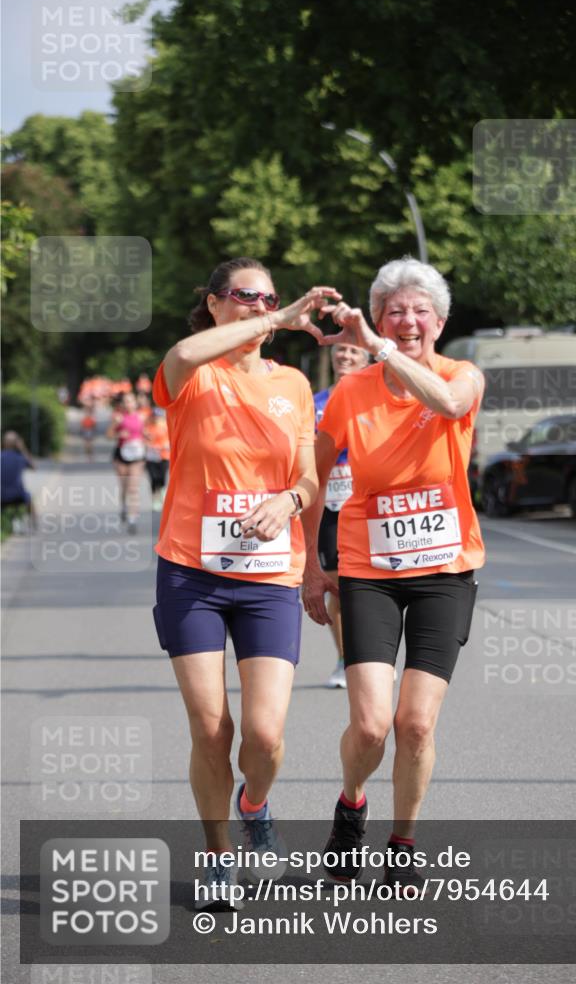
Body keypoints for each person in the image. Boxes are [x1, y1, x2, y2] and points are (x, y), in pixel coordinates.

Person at [151, 256, 339, 909]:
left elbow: (311, 478)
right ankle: (218, 856)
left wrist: (289, 505)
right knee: (211, 729)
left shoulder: (290, 383)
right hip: (190, 573)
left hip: (268, 577)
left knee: (264, 735)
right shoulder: (192, 373)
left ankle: (254, 802)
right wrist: (280, 319)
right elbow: (179, 352)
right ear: (212, 303)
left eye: (267, 299)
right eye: (242, 297)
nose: (256, 307)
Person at [302, 257, 485, 894]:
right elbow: (315, 478)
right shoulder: (352, 393)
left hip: (445, 571)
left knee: (416, 724)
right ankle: (351, 804)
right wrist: (309, 567)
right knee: (374, 724)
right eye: (393, 311)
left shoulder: (462, 375)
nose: (407, 321)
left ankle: (403, 842)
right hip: (367, 571)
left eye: (418, 311)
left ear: (439, 321)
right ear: (379, 317)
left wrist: (378, 348)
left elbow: (447, 401)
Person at [313, 344, 369, 689]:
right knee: (338, 587)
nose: (345, 356)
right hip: (329, 505)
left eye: (353, 351)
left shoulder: (376, 398)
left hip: (366, 503)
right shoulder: (315, 401)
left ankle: (373, 657)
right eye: (340, 351)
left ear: (367, 359)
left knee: (369, 587)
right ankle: (345, 659)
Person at [107, 392, 146, 534]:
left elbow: (146, 432)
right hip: (121, 455)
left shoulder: (142, 417)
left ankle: (132, 518)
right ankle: (124, 506)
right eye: (126, 402)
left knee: (133, 488)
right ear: (122, 404)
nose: (129, 404)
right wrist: (119, 434)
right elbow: (109, 435)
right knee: (124, 487)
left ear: (135, 403)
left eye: (131, 401)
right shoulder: (118, 418)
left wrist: (147, 436)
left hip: (137, 455)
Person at [1, 431, 36, 529]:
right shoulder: (20, 458)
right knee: (29, 498)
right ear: (16, 444)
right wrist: (23, 448)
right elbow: (33, 467)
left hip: (1, 496)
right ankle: (33, 526)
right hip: (18, 495)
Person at [143, 407, 170, 510]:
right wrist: (148, 445)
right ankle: (155, 498)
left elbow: (171, 439)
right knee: (153, 478)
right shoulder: (148, 428)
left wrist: (166, 445)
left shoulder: (166, 427)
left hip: (164, 456)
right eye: (155, 416)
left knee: (162, 477)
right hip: (151, 457)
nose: (157, 419)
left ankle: (162, 491)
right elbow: (144, 440)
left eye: (159, 417)